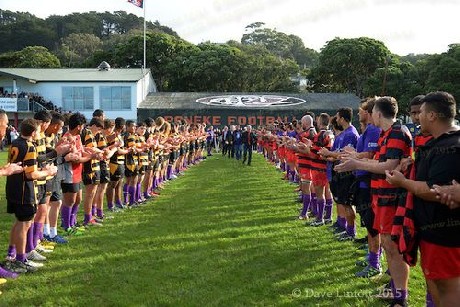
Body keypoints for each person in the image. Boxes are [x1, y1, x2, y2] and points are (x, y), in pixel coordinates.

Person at [336, 97, 412, 307]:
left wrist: (357, 162)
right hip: (380, 196)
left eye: (372, 113)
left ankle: (400, 297)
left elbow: (388, 164)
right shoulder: (386, 134)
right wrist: (357, 157)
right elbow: (377, 158)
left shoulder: (397, 132)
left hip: (391, 197)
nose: (369, 117)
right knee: (388, 244)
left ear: (378, 114)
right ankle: (395, 290)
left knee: (393, 247)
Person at [386, 91, 460, 307]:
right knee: (436, 285)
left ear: (433, 116)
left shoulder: (451, 147)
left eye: (422, 112)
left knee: (448, 289)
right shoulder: (438, 143)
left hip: (445, 236)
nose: (417, 117)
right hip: (433, 232)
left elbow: (434, 190)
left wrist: (403, 182)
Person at [4, 119, 57, 274]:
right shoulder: (29, 146)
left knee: (19, 222)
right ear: (34, 132)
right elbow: (31, 174)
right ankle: (21, 259)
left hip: (12, 187)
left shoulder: (15, 142)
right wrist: (48, 172)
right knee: (25, 224)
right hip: (24, 190)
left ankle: (11, 254)